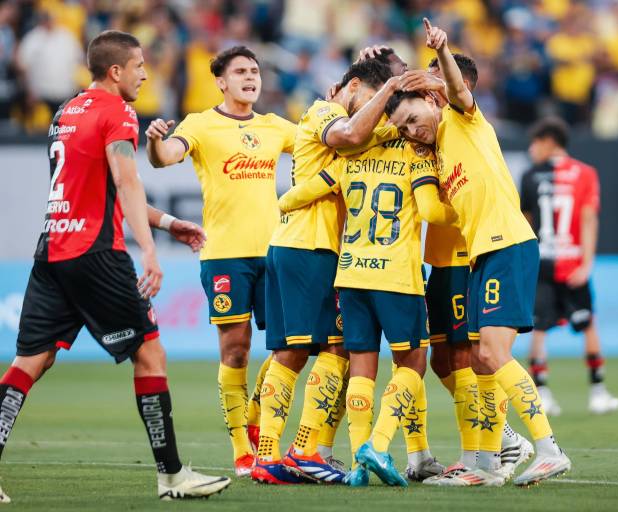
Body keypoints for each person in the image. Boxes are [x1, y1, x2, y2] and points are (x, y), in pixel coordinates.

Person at [0, 30, 230, 503]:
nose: (147, 73)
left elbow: (97, 190)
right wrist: (147, 250)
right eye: (140, 65)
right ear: (116, 71)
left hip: (53, 251)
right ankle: (171, 475)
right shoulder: (117, 111)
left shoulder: (67, 112)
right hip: (95, 255)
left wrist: (167, 223)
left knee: (30, 361)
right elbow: (126, 181)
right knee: (150, 353)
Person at [385, 18, 571, 487]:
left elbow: (458, 92)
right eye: (403, 127)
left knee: (489, 352)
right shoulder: (439, 148)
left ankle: (548, 448)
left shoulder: (462, 120)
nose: (411, 130)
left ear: (433, 99)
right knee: (483, 361)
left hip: (505, 244)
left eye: (414, 119)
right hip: (482, 256)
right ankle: (485, 464)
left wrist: (441, 54)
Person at [145, 45, 295, 477]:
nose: (251, 77)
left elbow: (321, 141)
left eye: (255, 71)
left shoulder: (274, 126)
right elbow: (166, 157)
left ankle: (253, 414)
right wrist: (155, 141)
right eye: (241, 72)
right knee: (235, 351)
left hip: (275, 250)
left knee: (289, 347)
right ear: (221, 81)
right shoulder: (201, 124)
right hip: (224, 253)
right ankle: (241, 450)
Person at [277, 136, 457, 487]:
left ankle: (359, 466)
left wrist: (284, 203)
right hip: (397, 277)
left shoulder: (350, 154)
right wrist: (467, 208)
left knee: (361, 368)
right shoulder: (415, 153)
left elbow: (296, 195)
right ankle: (377, 445)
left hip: (352, 274)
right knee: (414, 362)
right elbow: (432, 211)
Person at [252, 59, 399, 485]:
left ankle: (281, 454)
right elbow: (352, 136)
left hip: (303, 245)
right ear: (352, 87)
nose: (375, 111)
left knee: (307, 351)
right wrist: (390, 89)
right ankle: (296, 451)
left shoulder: (339, 117)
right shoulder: (325, 112)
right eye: (372, 99)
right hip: (309, 247)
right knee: (319, 351)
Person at [520, 117, 618, 416]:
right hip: (574, 264)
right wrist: (588, 263)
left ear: (549, 142)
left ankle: (541, 394)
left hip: (541, 263)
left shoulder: (530, 176)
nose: (530, 150)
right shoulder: (586, 174)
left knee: (538, 328)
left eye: (534, 143)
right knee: (588, 324)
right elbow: (589, 218)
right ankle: (598, 392)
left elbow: (525, 222)